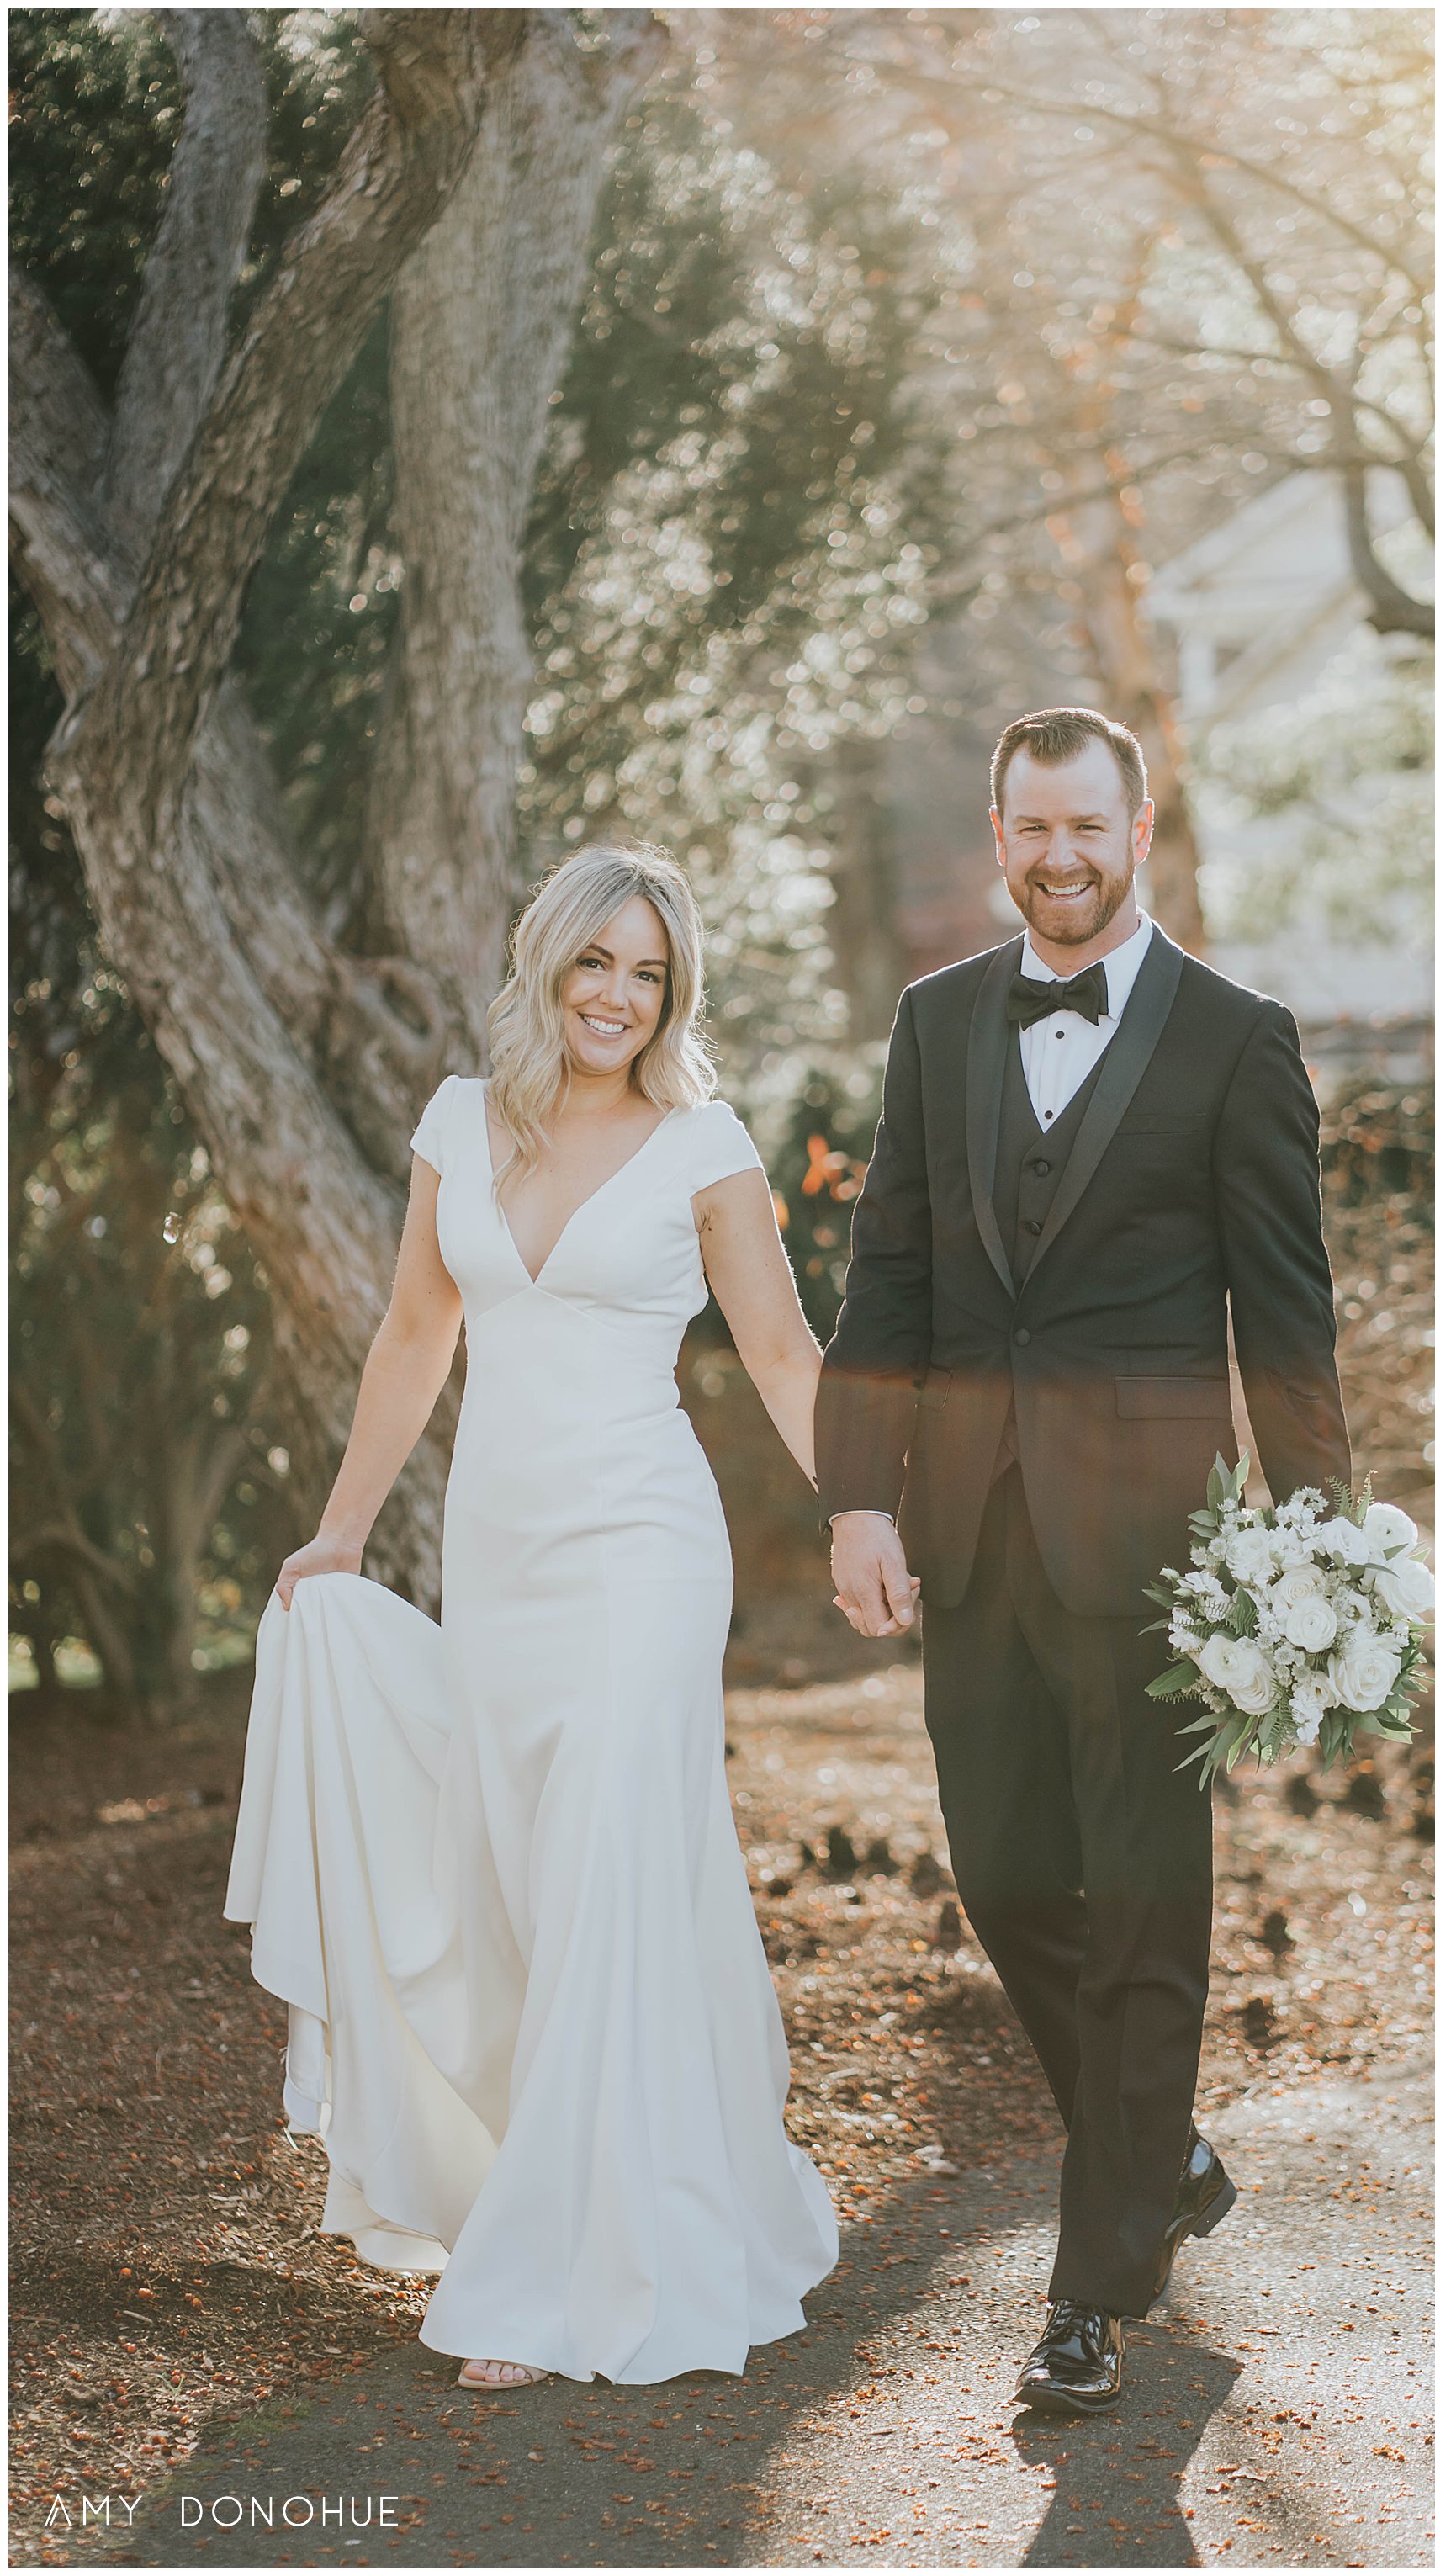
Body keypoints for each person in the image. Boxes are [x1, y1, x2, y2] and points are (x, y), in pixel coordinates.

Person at [225, 843, 838, 2390]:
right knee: (524, 1880)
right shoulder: (460, 1121)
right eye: (596, 965)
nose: (619, 998)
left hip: (645, 1549)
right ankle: (569, 2192)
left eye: (649, 973)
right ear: (547, 966)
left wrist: (874, 1509)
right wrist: (344, 1529)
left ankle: (575, 2268)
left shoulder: (703, 1141)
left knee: (612, 1870)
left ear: (672, 991)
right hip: (499, 1561)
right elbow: (417, 1330)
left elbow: (779, 1352)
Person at [816, 708, 1350, 2416]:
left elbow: (1285, 1314)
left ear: (1139, 831)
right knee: (1003, 1876)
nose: (1056, 855)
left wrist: (1316, 1540)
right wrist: (857, 1495)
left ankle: (1095, 2283)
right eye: (1028, 828)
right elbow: (884, 1268)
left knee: (1142, 1904)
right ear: (1000, 835)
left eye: (1085, 827)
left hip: (1155, 1556)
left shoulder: (1237, 1039)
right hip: (968, 1530)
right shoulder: (936, 1021)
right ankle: (1159, 2150)